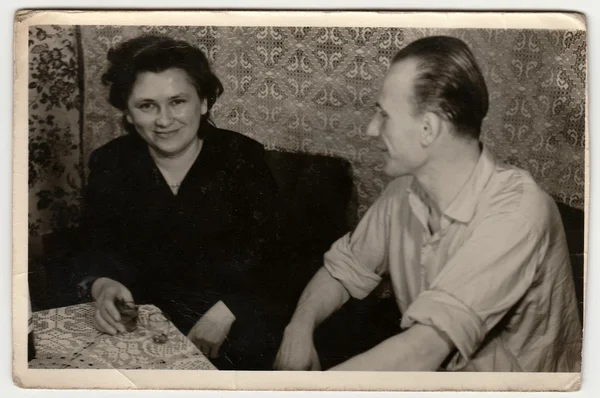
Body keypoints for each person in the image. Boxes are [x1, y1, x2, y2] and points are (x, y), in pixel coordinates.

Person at [273, 36, 582, 372]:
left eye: (384, 115)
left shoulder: (519, 211)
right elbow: (342, 271)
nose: (370, 129)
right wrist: (298, 329)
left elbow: (423, 349)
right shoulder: (401, 193)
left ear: (428, 128)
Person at [73, 35, 281, 370]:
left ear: (203, 102)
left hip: (233, 325)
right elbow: (93, 245)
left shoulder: (242, 158)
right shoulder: (111, 162)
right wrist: (103, 284)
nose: (164, 120)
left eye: (178, 101)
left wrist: (228, 310)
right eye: (146, 106)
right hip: (141, 326)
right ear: (127, 113)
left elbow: (279, 259)